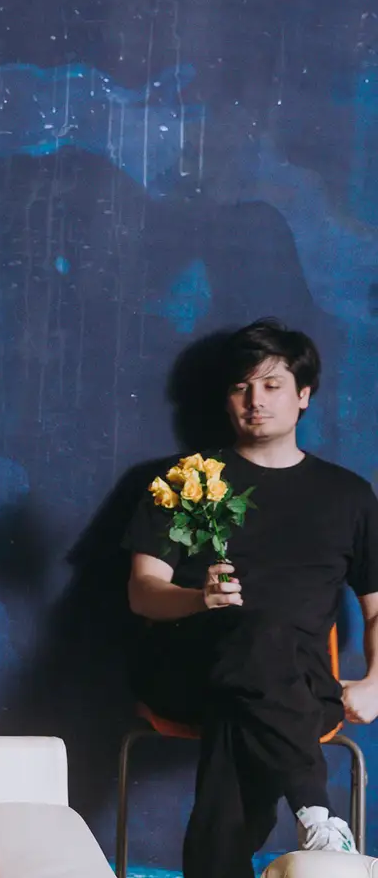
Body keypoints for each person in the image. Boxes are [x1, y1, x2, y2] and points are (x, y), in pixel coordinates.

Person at [124, 319, 378, 877]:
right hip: (189, 670)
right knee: (254, 636)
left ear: (303, 395)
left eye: (271, 385)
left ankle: (296, 827)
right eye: (241, 387)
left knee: (243, 706)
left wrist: (377, 680)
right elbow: (143, 593)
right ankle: (316, 811)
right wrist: (199, 600)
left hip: (298, 687)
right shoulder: (187, 480)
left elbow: (377, 606)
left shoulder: (349, 496)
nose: (255, 400)